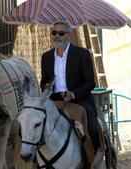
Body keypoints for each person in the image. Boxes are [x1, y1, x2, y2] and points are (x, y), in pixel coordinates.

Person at [40, 20, 100, 165]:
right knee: (34, 127)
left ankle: (95, 159)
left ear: (68, 35)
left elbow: (90, 83)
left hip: (79, 100)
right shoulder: (46, 57)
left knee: (93, 128)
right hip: (54, 101)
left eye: (60, 33)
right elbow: (43, 82)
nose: (56, 36)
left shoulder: (82, 54)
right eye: (54, 33)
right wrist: (47, 87)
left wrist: (73, 94)